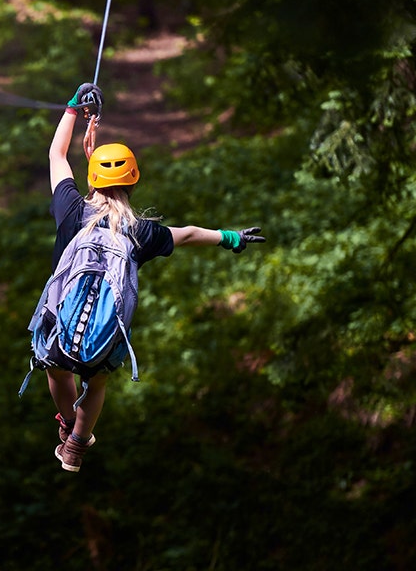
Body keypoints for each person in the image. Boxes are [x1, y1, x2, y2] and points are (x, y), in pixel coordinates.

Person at [44, 85, 264, 472]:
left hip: (60, 324)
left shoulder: (70, 210)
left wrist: (74, 107)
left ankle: (67, 427)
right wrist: (231, 238)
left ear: (91, 179)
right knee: (95, 382)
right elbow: (190, 233)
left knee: (57, 369)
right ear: (133, 182)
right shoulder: (140, 232)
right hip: (105, 331)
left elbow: (57, 155)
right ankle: (78, 444)